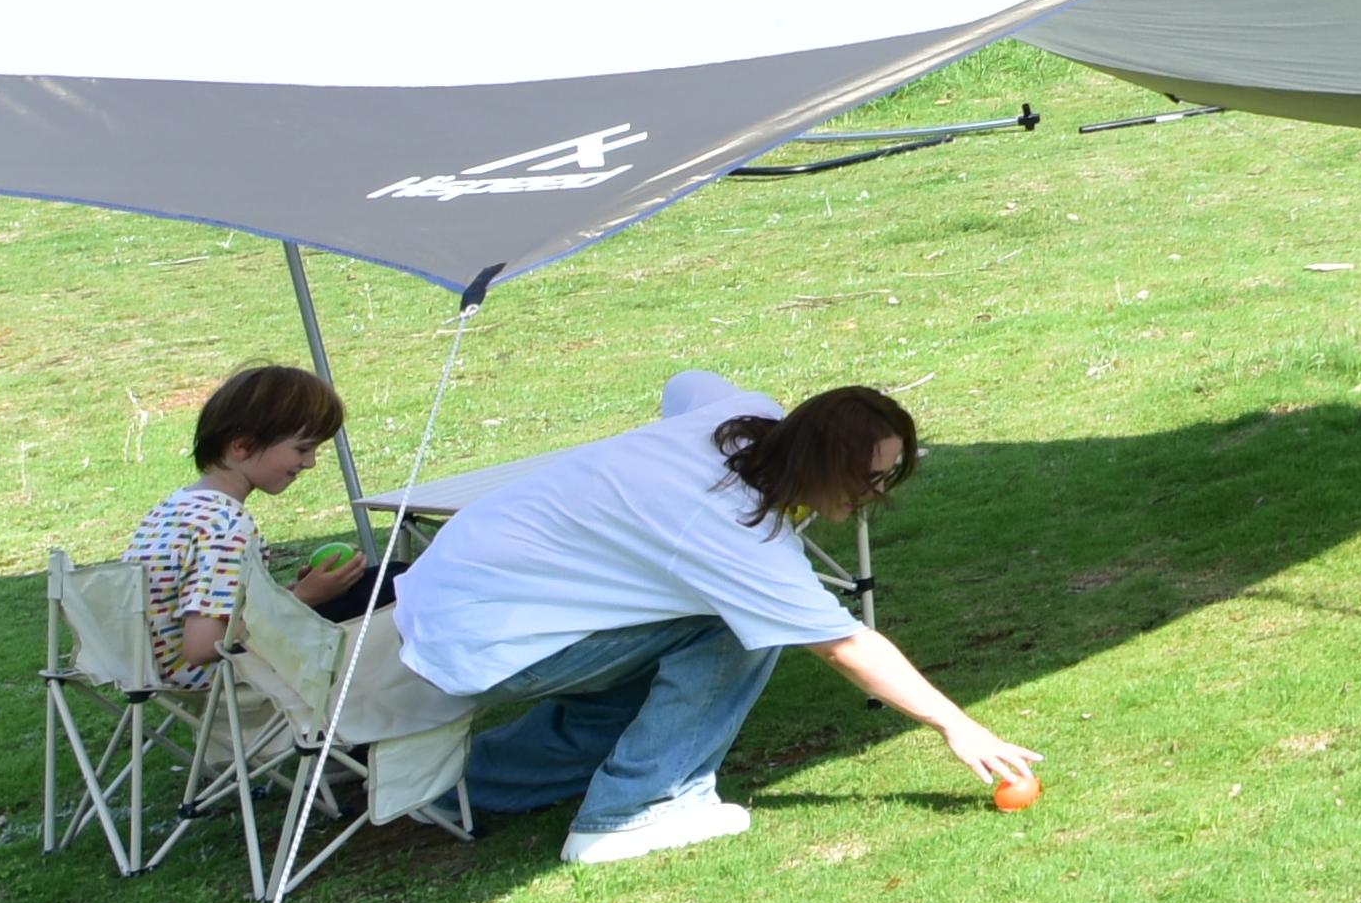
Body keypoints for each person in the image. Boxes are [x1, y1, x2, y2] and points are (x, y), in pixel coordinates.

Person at [391, 368, 1037, 867]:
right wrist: (958, 725)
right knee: (737, 626)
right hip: (481, 635)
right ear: (816, 462)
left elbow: (685, 381)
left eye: (889, 473)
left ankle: (454, 792)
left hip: (453, 599)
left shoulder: (740, 416)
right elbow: (846, 644)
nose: (877, 493)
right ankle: (632, 812)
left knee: (638, 691)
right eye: (867, 476)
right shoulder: (730, 532)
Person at [123, 363, 389, 688]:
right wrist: (303, 598)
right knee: (391, 588)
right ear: (243, 446)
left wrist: (285, 593)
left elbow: (215, 608)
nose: (310, 462)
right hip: (227, 681)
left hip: (161, 673)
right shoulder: (225, 527)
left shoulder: (175, 507)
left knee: (377, 582)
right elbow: (204, 646)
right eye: (302, 448)